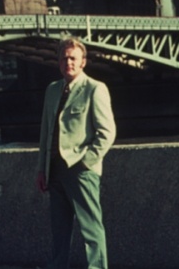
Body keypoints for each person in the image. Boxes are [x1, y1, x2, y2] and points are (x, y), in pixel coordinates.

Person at [36, 37, 116, 269]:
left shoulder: (95, 88)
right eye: (63, 58)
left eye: (73, 58)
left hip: (80, 170)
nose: (68, 62)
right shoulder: (52, 90)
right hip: (55, 171)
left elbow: (107, 133)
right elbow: (45, 132)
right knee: (59, 232)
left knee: (91, 229)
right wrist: (42, 168)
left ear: (83, 62)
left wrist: (86, 162)